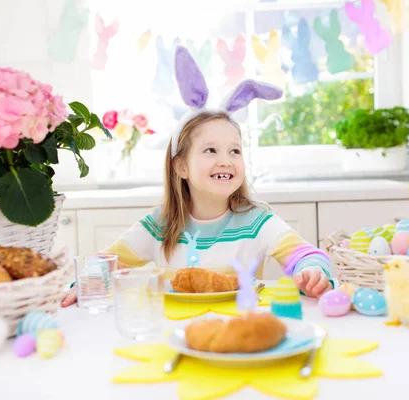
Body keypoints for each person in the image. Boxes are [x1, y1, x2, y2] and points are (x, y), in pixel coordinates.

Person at [61, 46, 336, 307]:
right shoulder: (160, 226)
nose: (225, 161)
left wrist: (312, 272)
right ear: (180, 167)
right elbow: (107, 262)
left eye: (235, 151)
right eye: (210, 150)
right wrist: (87, 281)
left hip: (237, 329)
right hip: (172, 331)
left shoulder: (256, 222)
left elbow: (306, 254)